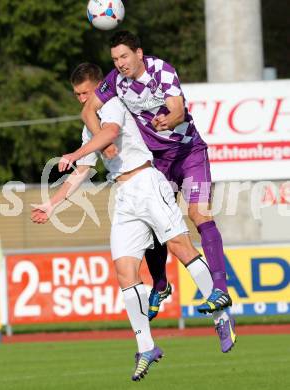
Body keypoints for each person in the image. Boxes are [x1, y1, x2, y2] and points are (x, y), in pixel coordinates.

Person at [32, 63, 235, 381]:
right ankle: (146, 347)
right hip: (124, 195)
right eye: (76, 95)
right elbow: (83, 172)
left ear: (98, 88)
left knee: (180, 246)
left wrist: (73, 153)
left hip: (147, 182)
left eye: (85, 92)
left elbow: (111, 132)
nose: (81, 99)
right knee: (124, 271)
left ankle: (222, 315)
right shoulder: (88, 128)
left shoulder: (114, 103)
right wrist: (52, 204)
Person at [81, 30, 236, 345]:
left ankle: (219, 288)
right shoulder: (115, 81)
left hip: (188, 152)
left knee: (199, 214)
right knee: (156, 229)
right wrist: (106, 144)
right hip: (159, 162)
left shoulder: (161, 70)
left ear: (139, 53)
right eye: (115, 59)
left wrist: (169, 120)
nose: (120, 63)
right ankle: (161, 285)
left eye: (125, 56)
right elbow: (87, 111)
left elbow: (178, 108)